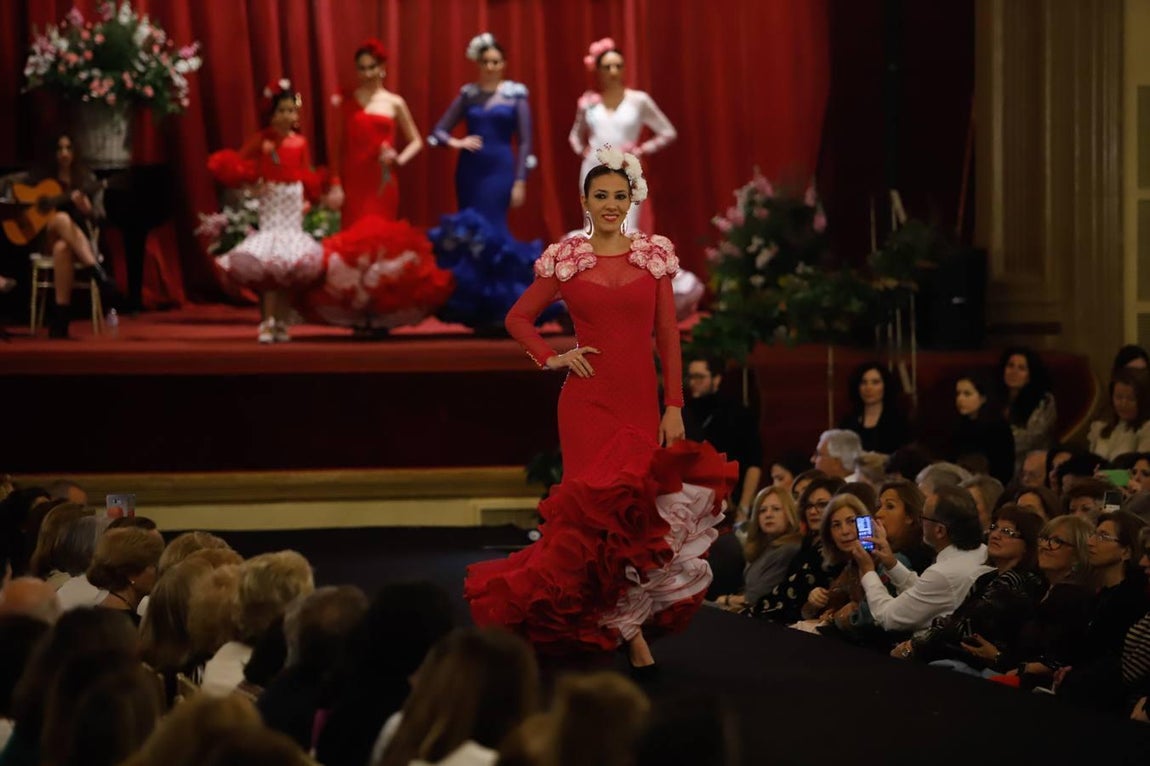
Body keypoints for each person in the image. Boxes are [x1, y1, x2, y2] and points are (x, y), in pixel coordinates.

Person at [464, 147, 736, 671]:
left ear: (632, 199)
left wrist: (674, 405)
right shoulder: (568, 259)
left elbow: (668, 336)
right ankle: (624, 633)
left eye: (619, 195)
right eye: (601, 195)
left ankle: (622, 623)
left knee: (632, 521)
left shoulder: (653, 256)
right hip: (585, 405)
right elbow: (517, 318)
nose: (611, 204)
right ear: (585, 201)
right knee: (589, 524)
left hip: (639, 405)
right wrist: (552, 357)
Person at [300, 40, 452, 334]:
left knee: (381, 244)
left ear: (382, 68)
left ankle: (380, 312)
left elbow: (416, 141)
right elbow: (336, 147)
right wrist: (335, 183)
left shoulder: (393, 102)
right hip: (353, 180)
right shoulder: (345, 101)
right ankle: (357, 311)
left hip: (382, 183)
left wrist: (398, 158)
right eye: (361, 68)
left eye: (372, 67)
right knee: (353, 244)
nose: (367, 73)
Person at [428, 32, 542, 331]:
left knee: (495, 231)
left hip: (500, 171)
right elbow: (437, 132)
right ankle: (478, 310)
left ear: (503, 64)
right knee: (472, 235)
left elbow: (526, 142)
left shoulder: (515, 96)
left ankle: (504, 306)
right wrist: (457, 142)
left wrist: (520, 180)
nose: (490, 67)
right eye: (485, 62)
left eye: (495, 62)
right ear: (478, 64)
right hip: (470, 172)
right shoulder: (469, 95)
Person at [208, 81, 329, 343]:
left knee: (287, 269)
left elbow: (306, 172)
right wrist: (252, 187)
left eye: (291, 110)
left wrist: (308, 200)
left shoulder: (300, 142)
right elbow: (237, 165)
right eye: (281, 111)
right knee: (271, 265)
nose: (287, 116)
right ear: (271, 114)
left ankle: (281, 322)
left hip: (292, 203)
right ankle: (267, 321)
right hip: (272, 203)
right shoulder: (262, 139)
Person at [5, 134, 115, 338]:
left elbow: (100, 218)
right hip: (45, 240)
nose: (64, 153)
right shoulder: (41, 176)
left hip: (79, 242)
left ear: (75, 152)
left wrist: (87, 210)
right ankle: (97, 272)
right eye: (59, 149)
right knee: (61, 219)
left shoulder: (86, 179)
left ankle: (60, 321)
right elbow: (11, 188)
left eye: (68, 148)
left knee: (62, 248)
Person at [568, 38, 676, 235]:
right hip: (593, 167)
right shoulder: (589, 102)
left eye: (618, 66)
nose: (613, 72)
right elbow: (575, 135)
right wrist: (583, 151)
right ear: (598, 70)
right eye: (607, 67)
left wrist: (641, 149)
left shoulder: (638, 100)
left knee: (625, 227)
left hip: (626, 167)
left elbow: (667, 132)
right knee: (595, 229)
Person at [855, 485, 994, 634]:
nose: (920, 523)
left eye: (923, 518)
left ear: (939, 530)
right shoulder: (982, 550)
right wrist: (891, 564)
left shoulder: (942, 573)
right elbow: (926, 594)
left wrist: (868, 572)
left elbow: (888, 618)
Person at [683, 355, 763, 519]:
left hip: (730, 501)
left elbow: (754, 462)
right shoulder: (684, 413)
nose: (693, 382)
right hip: (691, 502)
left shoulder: (737, 412)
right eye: (690, 377)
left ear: (716, 379)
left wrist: (744, 507)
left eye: (699, 377)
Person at [948, 372, 1016, 485]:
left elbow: (1003, 469)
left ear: (983, 398)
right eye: (958, 393)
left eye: (967, 394)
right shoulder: (959, 426)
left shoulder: (998, 428)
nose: (960, 399)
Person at [998, 347, 1058, 470]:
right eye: (1010, 366)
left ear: (1030, 375)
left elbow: (1030, 439)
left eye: (1021, 368)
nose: (1014, 372)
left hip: (1029, 462)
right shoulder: (992, 397)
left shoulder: (1044, 401)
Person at [836, 362, 910, 454]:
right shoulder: (848, 422)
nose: (868, 388)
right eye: (864, 383)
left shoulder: (898, 421)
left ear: (885, 386)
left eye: (875, 382)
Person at [1087, 368, 1150, 460]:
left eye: (1131, 399)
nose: (1123, 404)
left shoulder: (1147, 428)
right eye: (1118, 397)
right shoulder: (1101, 424)